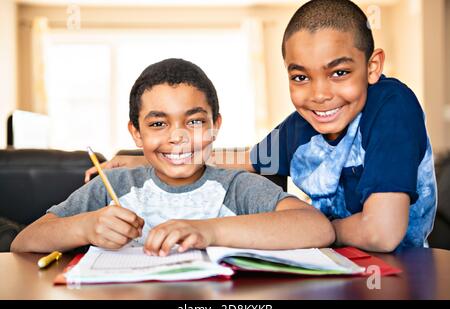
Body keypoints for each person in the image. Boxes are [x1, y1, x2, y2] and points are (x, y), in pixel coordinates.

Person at [85, 0, 437, 253]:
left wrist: (307, 230)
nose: (319, 95)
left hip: (403, 272)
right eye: (301, 77)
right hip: (330, 261)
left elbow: (382, 233)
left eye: (339, 73)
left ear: (372, 67)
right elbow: (243, 159)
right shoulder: (301, 128)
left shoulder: (392, 106)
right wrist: (140, 162)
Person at [11, 58, 335, 255]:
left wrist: (211, 231)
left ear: (214, 127)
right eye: (158, 123)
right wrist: (84, 227)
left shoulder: (237, 187)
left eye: (194, 121)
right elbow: (24, 241)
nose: (177, 136)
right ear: (136, 133)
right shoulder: (114, 186)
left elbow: (317, 228)